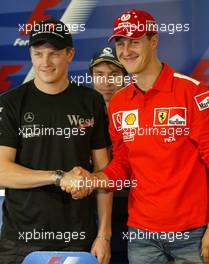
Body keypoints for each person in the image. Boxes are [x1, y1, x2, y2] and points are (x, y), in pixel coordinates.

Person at [73, 9, 209, 264]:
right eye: (121, 43)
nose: (126, 51)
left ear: (154, 40)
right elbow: (122, 165)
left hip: (193, 235)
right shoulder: (120, 103)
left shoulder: (194, 93)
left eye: (134, 41)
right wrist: (92, 180)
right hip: (141, 236)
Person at [0, 19, 112, 264]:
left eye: (54, 54)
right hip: (20, 241)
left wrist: (104, 235)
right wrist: (60, 176)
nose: (45, 62)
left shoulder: (90, 101)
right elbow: (2, 172)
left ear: (70, 54)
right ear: (30, 54)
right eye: (38, 54)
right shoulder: (10, 103)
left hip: (77, 236)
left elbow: (104, 173)